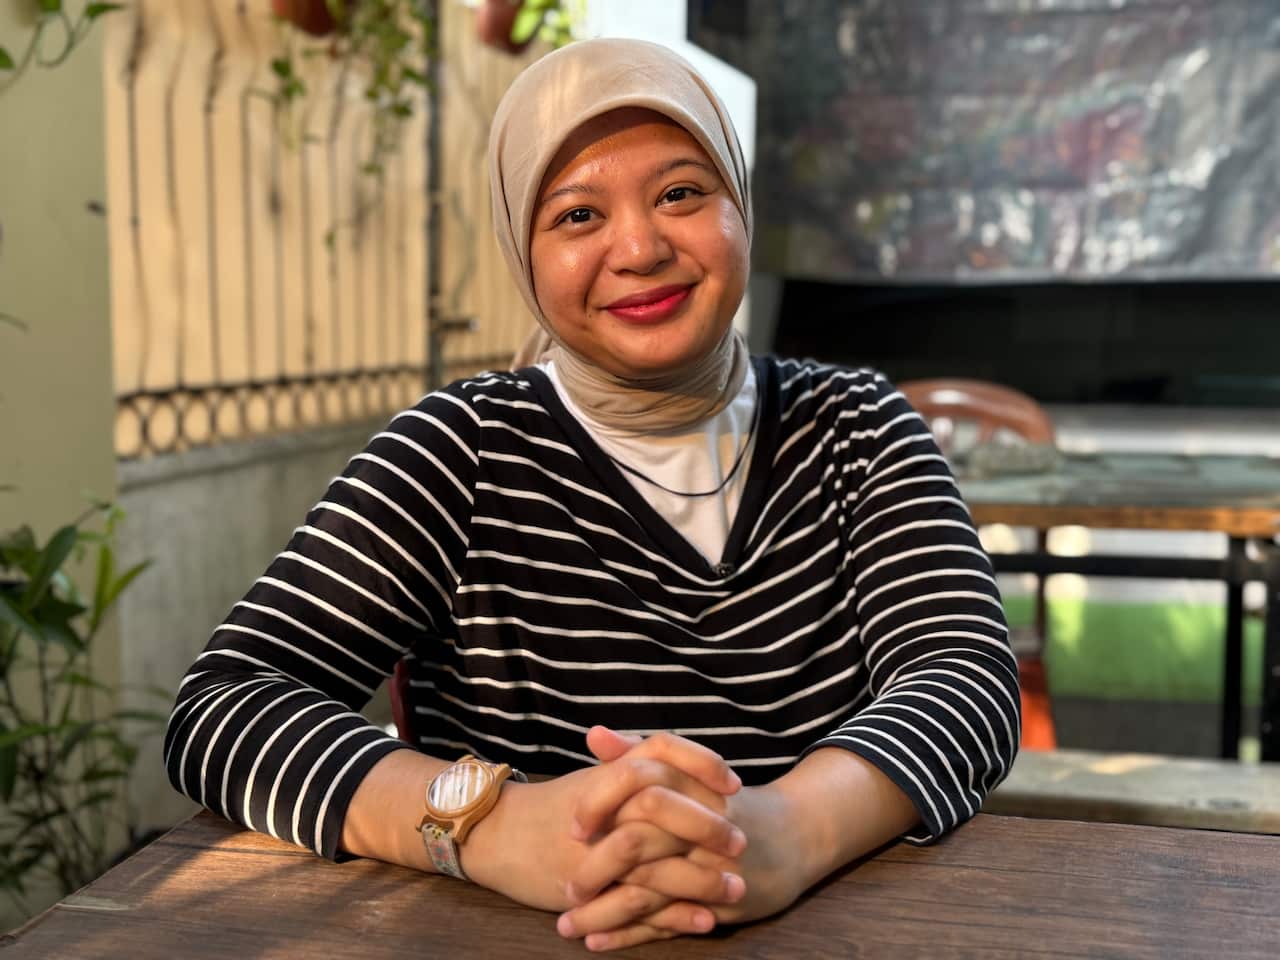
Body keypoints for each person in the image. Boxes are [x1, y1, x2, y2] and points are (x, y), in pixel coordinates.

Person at [164, 38, 1019, 952]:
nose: (642, 248)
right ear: (520, 249)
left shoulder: (855, 425)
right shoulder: (461, 451)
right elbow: (225, 705)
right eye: (576, 215)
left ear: (740, 205)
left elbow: (965, 674)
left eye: (682, 193)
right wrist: (490, 828)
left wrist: (781, 834)